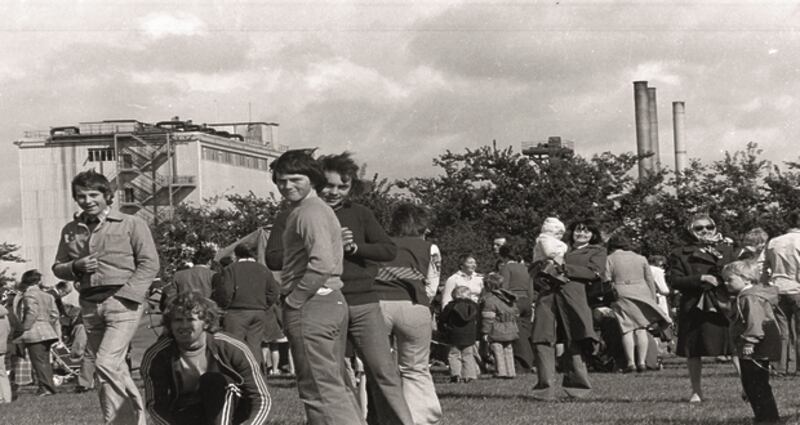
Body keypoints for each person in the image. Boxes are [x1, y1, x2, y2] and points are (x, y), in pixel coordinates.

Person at [53, 170, 159, 424]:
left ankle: (121, 421)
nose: (87, 200)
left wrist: (128, 295)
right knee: (114, 368)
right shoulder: (70, 230)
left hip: (122, 304)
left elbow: (149, 263)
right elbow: (58, 267)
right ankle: (132, 418)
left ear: (107, 195)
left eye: (93, 194)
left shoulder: (132, 224)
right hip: (89, 306)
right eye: (81, 196)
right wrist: (76, 266)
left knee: (105, 362)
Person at [316, 152, 413, 425]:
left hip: (362, 302)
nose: (334, 192)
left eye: (342, 187)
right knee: (335, 373)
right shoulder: (303, 212)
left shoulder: (360, 214)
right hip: (323, 302)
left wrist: (354, 248)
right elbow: (278, 257)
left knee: (383, 370)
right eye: (329, 185)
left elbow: (388, 249)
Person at [269, 150, 365, 425]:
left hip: (312, 304)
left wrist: (294, 300)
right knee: (335, 386)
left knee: (319, 391)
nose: (287, 186)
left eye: (295, 179)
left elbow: (321, 263)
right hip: (330, 301)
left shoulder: (308, 212)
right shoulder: (317, 210)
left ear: (312, 179)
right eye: (280, 180)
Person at [141, 292, 271, 425]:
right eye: (178, 320)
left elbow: (261, 397)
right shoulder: (157, 355)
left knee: (213, 380)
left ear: (206, 323)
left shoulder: (232, 347)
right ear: (169, 324)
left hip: (231, 412)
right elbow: (155, 404)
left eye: (191, 319)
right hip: (186, 413)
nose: (184, 326)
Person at [374, 202, 443, 425]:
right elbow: (432, 284)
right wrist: (425, 303)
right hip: (413, 305)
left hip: (377, 305)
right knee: (416, 369)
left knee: (374, 369)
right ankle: (420, 419)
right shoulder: (430, 248)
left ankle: (372, 416)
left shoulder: (378, 244)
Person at [531, 219, 604, 400]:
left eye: (587, 231)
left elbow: (594, 272)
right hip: (548, 296)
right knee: (542, 339)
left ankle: (578, 389)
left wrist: (563, 267)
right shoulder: (557, 246)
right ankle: (544, 390)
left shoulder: (597, 251)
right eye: (578, 231)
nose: (582, 234)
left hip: (574, 298)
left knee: (575, 339)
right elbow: (536, 265)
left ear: (593, 235)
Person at [668, 213, 734, 403]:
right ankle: (696, 391)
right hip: (694, 305)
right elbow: (675, 280)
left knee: (734, 347)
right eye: (699, 228)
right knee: (693, 350)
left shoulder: (726, 249)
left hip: (722, 303)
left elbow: (733, 271)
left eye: (709, 227)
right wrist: (700, 279)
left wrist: (718, 252)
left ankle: (747, 387)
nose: (705, 231)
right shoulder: (680, 253)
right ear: (691, 230)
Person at [722, 260, 783, 424]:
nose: (726, 283)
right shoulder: (745, 296)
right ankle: (765, 416)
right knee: (754, 383)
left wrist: (750, 341)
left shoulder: (750, 298)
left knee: (756, 383)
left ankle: (767, 417)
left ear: (746, 279)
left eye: (730, 279)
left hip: (756, 346)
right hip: (756, 345)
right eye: (725, 280)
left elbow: (754, 321)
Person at [605, 235, 671, 373]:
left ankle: (631, 363)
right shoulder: (641, 258)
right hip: (642, 292)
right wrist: (652, 300)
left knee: (627, 329)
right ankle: (642, 362)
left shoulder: (610, 259)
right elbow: (649, 280)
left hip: (622, 292)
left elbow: (606, 278)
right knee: (641, 329)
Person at [212, 242, 280, 366]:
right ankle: (257, 374)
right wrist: (263, 305)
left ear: (237, 255)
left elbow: (226, 292)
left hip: (236, 312)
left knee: (234, 346)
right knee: (255, 346)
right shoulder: (264, 269)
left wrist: (226, 306)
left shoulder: (231, 269)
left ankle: (235, 375)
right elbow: (274, 292)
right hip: (259, 312)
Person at [762, 212, 800, 376]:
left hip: (778, 288)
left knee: (781, 332)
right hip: (797, 287)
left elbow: (764, 266)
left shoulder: (774, 242)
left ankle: (779, 367)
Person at [14, 270, 60, 396]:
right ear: (38, 281)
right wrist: (46, 323)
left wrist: (24, 328)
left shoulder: (29, 294)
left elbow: (32, 312)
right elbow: (55, 315)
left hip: (35, 332)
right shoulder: (48, 296)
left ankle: (45, 388)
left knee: (38, 362)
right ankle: (48, 386)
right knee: (45, 361)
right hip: (48, 331)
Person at [497, 244, 535, 373]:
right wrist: (530, 303)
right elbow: (531, 288)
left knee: (516, 334)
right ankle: (530, 361)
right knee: (526, 332)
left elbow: (504, 287)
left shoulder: (507, 268)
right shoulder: (526, 268)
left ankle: (521, 364)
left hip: (514, 301)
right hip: (526, 301)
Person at [481, 272, 519, 379]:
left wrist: (485, 332)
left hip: (497, 328)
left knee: (497, 349)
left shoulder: (490, 300)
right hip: (511, 327)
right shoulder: (509, 298)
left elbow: (488, 318)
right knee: (508, 349)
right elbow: (516, 312)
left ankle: (501, 371)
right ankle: (511, 371)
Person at [440, 286, 480, 383]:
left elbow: (442, 319)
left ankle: (456, 375)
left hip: (454, 334)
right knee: (468, 355)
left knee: (454, 355)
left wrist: (442, 329)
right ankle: (470, 375)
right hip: (470, 335)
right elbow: (478, 320)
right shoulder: (474, 306)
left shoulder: (450, 306)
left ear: (454, 295)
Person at [0, 287, 13, 402]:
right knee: (2, 373)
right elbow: (9, 330)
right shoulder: (5, 315)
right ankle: (6, 397)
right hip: (2, 346)